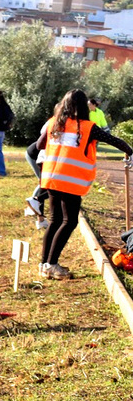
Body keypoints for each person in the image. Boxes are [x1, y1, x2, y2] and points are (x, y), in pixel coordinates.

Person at [37, 89, 133, 280]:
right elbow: (114, 140)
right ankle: (52, 264)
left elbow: (39, 145)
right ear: (83, 107)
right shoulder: (88, 127)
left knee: (55, 220)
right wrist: (130, 152)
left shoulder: (53, 123)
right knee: (69, 221)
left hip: (51, 178)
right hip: (70, 180)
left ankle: (44, 264)